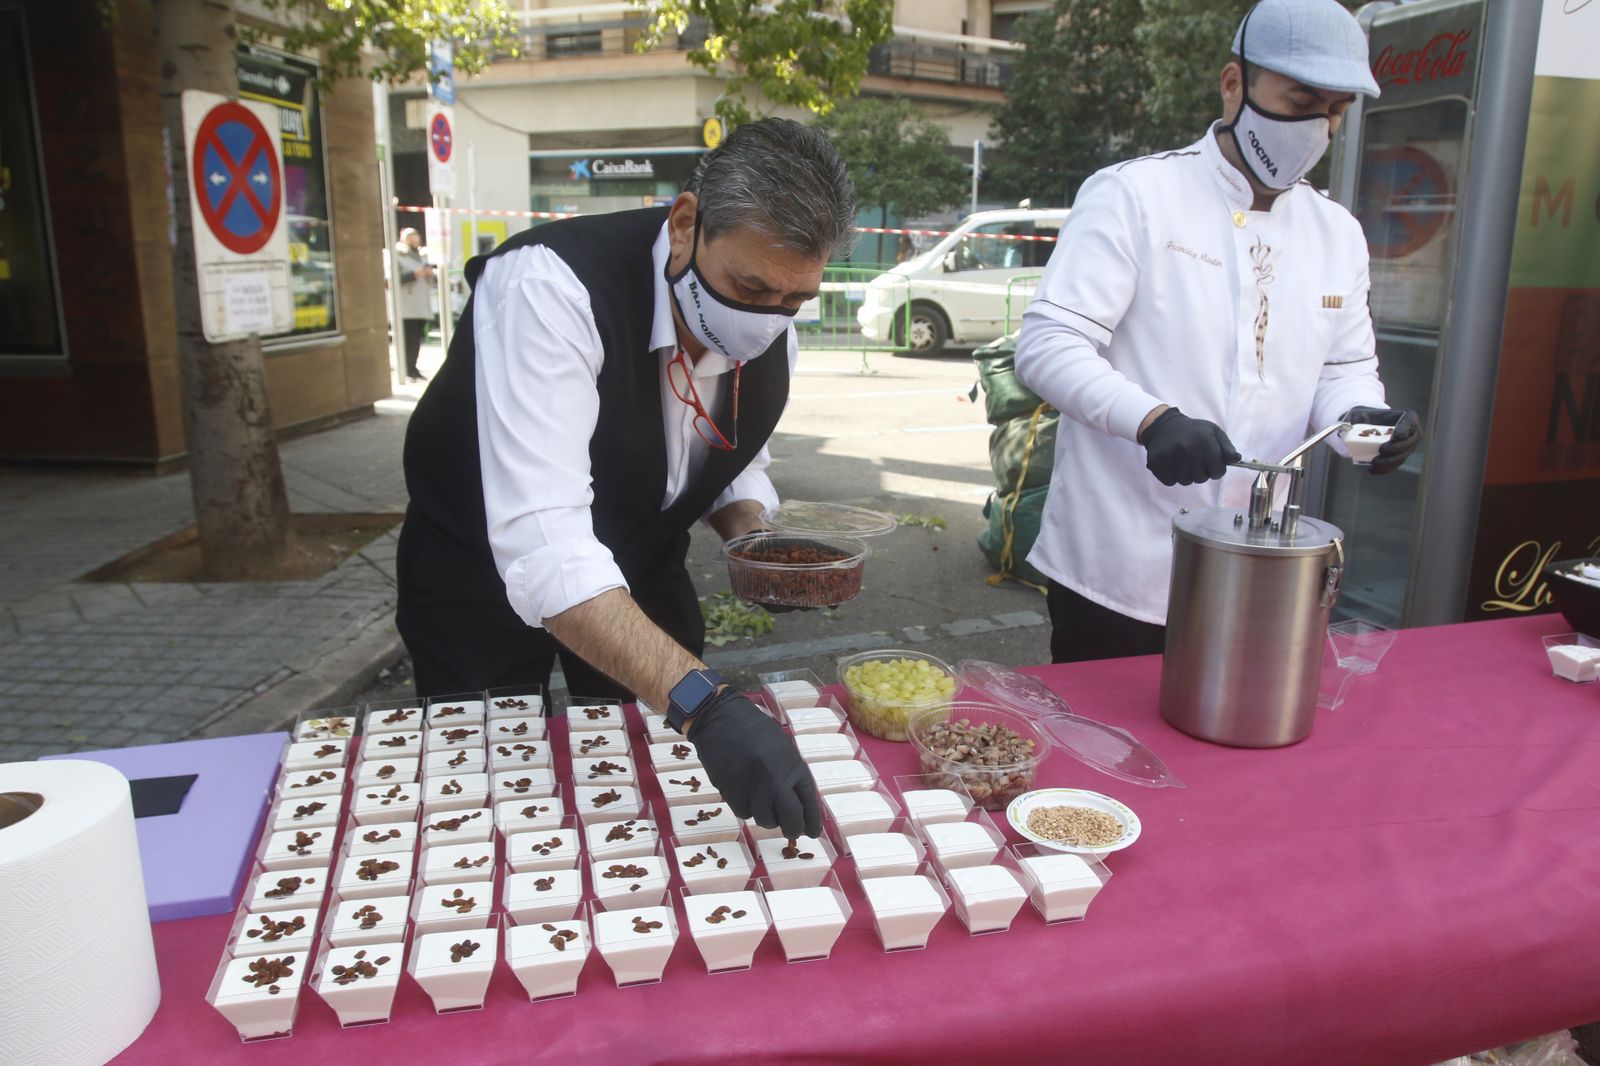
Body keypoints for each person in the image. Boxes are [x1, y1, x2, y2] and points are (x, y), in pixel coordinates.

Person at [396, 119, 855, 838]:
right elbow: (547, 547)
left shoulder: (767, 317)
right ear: (685, 225)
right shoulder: (548, 287)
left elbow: (730, 452)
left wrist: (755, 538)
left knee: (649, 790)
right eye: (749, 287)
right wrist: (708, 703)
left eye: (793, 301)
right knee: (481, 799)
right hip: (477, 578)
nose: (767, 321)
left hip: (641, 567)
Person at [1015, 0, 1422, 664]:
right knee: (1110, 749)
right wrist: (1152, 420)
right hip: (1121, 562)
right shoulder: (1137, 196)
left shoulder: (1336, 233)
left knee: (1243, 750)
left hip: (1260, 563)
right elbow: (1048, 344)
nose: (1318, 126)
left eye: (1336, 110)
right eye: (1300, 99)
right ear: (1234, 84)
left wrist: (1366, 426)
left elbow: (1344, 368)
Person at [394, 228, 435, 382]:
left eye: (416, 237)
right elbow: (391, 280)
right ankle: (406, 369)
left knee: (417, 338)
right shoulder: (398, 255)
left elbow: (431, 282)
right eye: (411, 238)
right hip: (406, 305)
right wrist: (413, 274)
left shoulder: (422, 256)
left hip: (421, 304)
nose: (414, 241)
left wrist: (430, 274)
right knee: (408, 338)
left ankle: (413, 368)